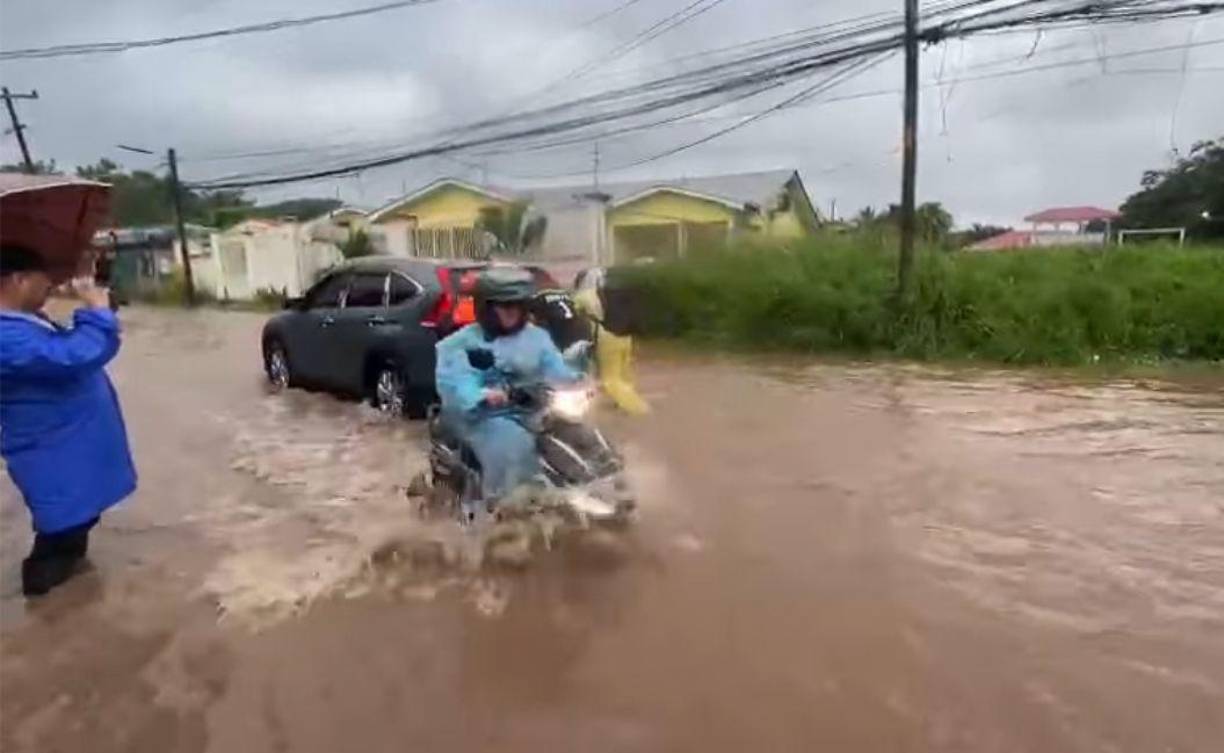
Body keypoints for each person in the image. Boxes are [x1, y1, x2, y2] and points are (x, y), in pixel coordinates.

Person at [0, 244, 137, 597]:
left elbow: (82, 345)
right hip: (52, 452)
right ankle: (45, 621)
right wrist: (95, 310)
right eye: (43, 280)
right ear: (18, 280)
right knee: (59, 537)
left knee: (76, 524)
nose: (49, 287)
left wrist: (98, 302)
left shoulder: (23, 322)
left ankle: (71, 603)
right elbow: (74, 356)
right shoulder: (5, 335)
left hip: (68, 446)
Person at [435, 267, 580, 516]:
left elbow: (555, 368)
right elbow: (455, 380)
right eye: (504, 305)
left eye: (517, 304)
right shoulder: (460, 343)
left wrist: (577, 381)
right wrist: (481, 395)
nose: (512, 310)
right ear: (486, 307)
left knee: (580, 433)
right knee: (514, 445)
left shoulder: (537, 338)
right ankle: (508, 509)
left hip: (534, 410)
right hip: (486, 417)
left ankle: (603, 486)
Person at [573, 267, 650, 416]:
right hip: (626, 336)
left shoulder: (582, 296)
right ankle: (623, 401)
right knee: (623, 372)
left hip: (606, 336)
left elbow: (572, 314)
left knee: (609, 377)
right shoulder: (613, 293)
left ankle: (636, 407)